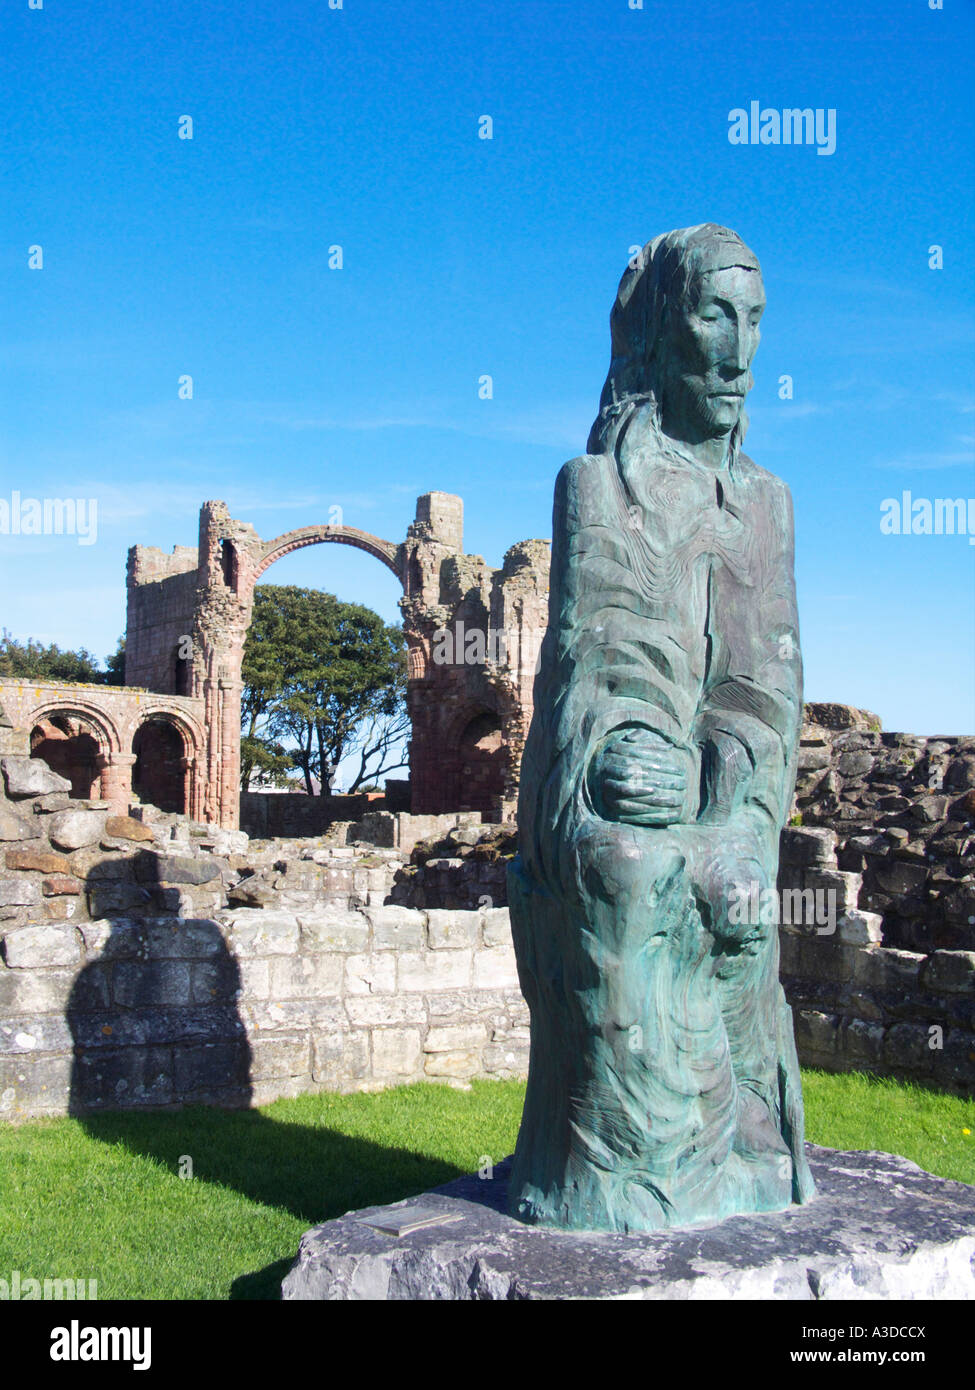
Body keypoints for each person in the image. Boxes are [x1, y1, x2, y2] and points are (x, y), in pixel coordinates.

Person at [507, 224, 816, 1232]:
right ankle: (614, 1184)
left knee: (735, 880)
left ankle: (737, 1159)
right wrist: (630, 748)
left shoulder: (767, 503)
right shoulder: (597, 486)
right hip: (603, 778)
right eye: (713, 313)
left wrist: (721, 781)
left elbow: (766, 682)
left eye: (754, 318)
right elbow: (597, 654)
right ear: (660, 328)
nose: (738, 349)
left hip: (722, 792)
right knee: (625, 871)